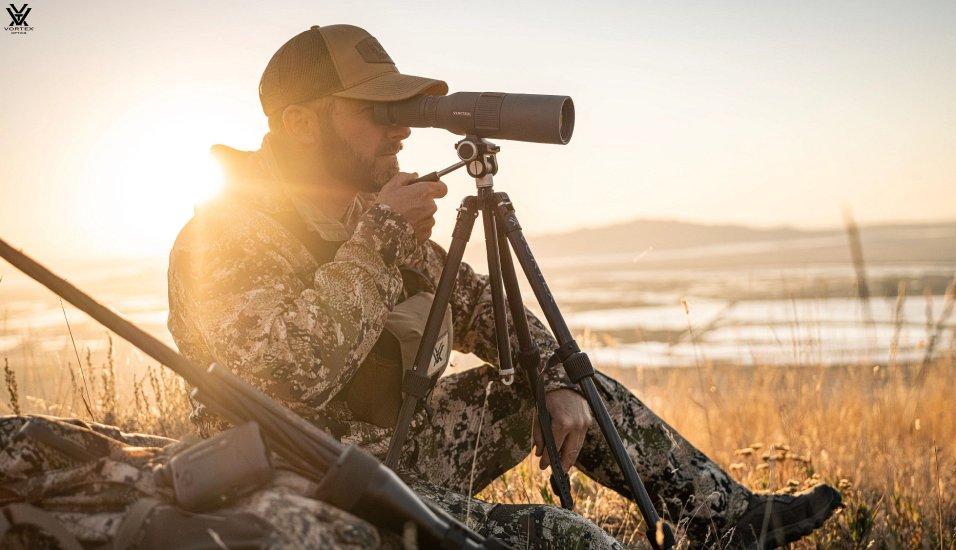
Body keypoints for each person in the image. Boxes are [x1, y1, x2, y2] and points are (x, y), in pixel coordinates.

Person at [167, 24, 841, 549]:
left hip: (399, 447)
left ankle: (726, 520)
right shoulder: (227, 234)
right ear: (300, 123)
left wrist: (552, 377)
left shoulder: (358, 218)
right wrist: (378, 241)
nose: (399, 127)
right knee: (568, 539)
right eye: (374, 110)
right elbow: (285, 374)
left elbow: (487, 307)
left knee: (562, 379)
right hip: (304, 481)